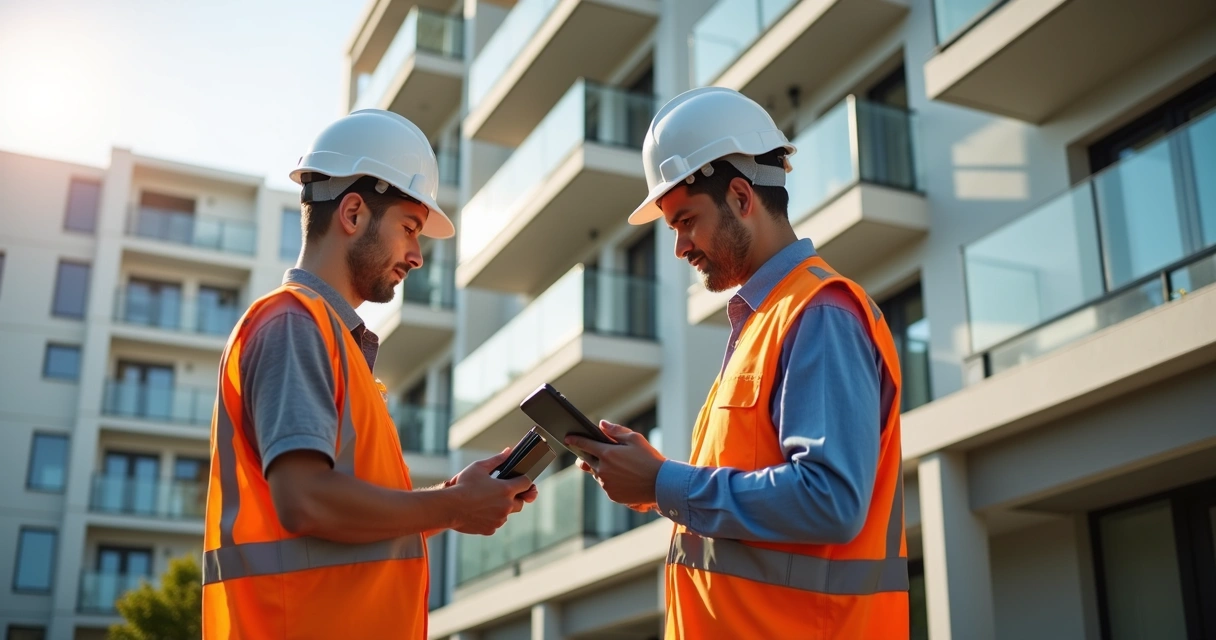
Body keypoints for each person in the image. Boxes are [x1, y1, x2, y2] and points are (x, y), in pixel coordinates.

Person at [566, 87, 909, 638]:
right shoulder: (766, 321)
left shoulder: (820, 313)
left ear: (742, 197)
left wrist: (664, 484)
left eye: (686, 220)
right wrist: (656, 482)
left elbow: (830, 501)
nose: (679, 246)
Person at [201, 109, 537, 639]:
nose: (418, 256)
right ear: (353, 213)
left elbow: (340, 506)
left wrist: (453, 496)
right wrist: (452, 506)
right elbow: (305, 499)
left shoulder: (329, 340)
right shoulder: (293, 323)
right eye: (409, 228)